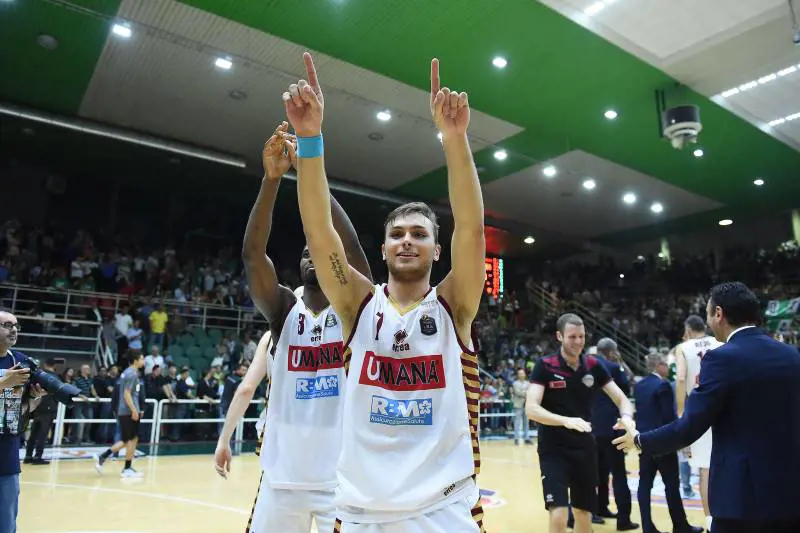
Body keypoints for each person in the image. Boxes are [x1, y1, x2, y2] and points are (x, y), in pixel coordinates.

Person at [288, 53, 486, 531]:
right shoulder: (358, 305)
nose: (407, 240)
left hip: (444, 510)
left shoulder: (454, 305)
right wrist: (312, 139)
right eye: (398, 233)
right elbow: (319, 233)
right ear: (381, 248)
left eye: (420, 234)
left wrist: (455, 139)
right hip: (361, 513)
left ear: (438, 251)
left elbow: (472, 228)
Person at [214, 121, 371, 533]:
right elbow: (252, 254)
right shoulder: (284, 310)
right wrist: (271, 181)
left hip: (343, 481)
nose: (309, 258)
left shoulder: (354, 310)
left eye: (317, 251)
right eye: (303, 253)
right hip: (281, 482)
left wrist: (309, 174)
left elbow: (351, 247)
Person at [614, 281, 800, 533]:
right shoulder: (791, 355)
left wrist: (639, 441)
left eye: (709, 315)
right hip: (790, 495)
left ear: (719, 314)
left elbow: (689, 426)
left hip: (742, 501)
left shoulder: (723, 358)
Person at [525, 314, 635, 533]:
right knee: (559, 514)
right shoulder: (545, 366)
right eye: (572, 337)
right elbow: (531, 409)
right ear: (559, 336)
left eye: (581, 336)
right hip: (553, 449)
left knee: (583, 513)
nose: (578, 342)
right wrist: (566, 421)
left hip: (585, 448)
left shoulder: (593, 365)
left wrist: (628, 419)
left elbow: (622, 399)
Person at [631, 354, 703, 533]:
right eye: (665, 363)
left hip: (644, 441)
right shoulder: (662, 385)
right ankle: (680, 525)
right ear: (658, 365)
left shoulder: (639, 386)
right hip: (662, 443)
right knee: (671, 484)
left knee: (644, 484)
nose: (667, 367)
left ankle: (647, 526)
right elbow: (668, 418)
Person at [674, 315, 722, 532]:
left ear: (688, 329)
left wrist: (682, 411)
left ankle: (710, 520)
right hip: (722, 407)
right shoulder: (719, 341)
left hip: (699, 409)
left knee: (705, 470)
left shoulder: (683, 347)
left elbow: (682, 378)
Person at [591, 338, 637, 531]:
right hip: (611, 426)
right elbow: (626, 390)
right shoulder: (613, 367)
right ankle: (623, 519)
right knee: (618, 473)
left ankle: (599, 508)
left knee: (595, 472)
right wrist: (620, 363)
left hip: (590, 427)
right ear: (611, 352)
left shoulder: (585, 367)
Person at [95, 352, 146, 478]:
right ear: (135, 360)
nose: (143, 360)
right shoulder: (132, 373)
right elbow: (127, 394)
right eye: (141, 358)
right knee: (129, 439)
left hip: (128, 410)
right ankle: (125, 467)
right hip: (128, 411)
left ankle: (107, 458)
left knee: (131, 439)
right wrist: (134, 410)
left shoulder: (128, 372)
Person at [23, 357, 59, 465]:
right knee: (43, 433)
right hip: (48, 407)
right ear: (54, 366)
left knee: (34, 432)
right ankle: (38, 456)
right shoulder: (54, 377)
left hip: (37, 406)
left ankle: (28, 456)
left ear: (45, 364)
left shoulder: (39, 376)